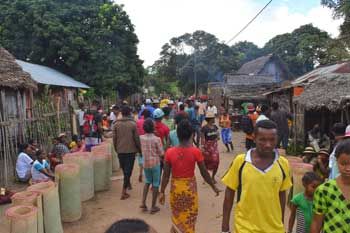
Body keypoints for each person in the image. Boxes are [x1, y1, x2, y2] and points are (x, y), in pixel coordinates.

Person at [221, 120, 293, 233]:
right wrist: (224, 228)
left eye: (272, 140)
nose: (268, 144)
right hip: (244, 228)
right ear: (254, 138)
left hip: (274, 229)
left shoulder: (283, 164)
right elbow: (229, 194)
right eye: (262, 140)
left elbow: (281, 195)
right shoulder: (241, 162)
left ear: (277, 139)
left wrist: (281, 223)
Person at [159, 120, 220, 233]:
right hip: (190, 190)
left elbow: (166, 176)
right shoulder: (196, 152)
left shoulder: (169, 152)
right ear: (192, 134)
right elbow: (204, 173)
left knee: (177, 217)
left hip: (176, 190)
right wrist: (213, 186)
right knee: (189, 218)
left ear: (177, 135)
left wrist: (162, 191)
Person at [311, 139, 350, 233]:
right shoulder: (324, 190)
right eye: (343, 164)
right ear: (336, 161)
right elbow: (316, 223)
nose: (348, 168)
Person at [113, 105, 141, 200]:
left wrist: (116, 148)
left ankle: (128, 183)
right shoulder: (133, 124)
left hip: (120, 150)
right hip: (131, 150)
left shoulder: (116, 124)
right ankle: (123, 192)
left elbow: (114, 138)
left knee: (124, 169)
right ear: (129, 113)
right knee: (128, 170)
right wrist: (139, 149)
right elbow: (136, 139)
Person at [139, 119, 164, 214]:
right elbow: (161, 153)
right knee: (156, 184)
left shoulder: (141, 138)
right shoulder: (157, 139)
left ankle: (143, 203)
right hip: (155, 163)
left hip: (145, 163)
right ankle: (153, 206)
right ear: (153, 128)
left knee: (148, 181)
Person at [201, 112, 220, 183]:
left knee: (216, 161)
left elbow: (218, 136)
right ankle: (207, 177)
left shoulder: (215, 127)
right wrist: (202, 147)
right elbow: (202, 138)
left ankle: (213, 177)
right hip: (207, 147)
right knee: (206, 162)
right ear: (210, 119)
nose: (214, 119)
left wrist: (218, 137)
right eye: (213, 118)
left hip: (214, 147)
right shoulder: (204, 128)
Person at [136, 109, 152, 182]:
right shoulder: (150, 122)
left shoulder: (138, 121)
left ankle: (140, 172)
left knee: (141, 156)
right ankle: (147, 174)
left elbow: (136, 131)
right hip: (148, 140)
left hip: (140, 140)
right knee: (148, 156)